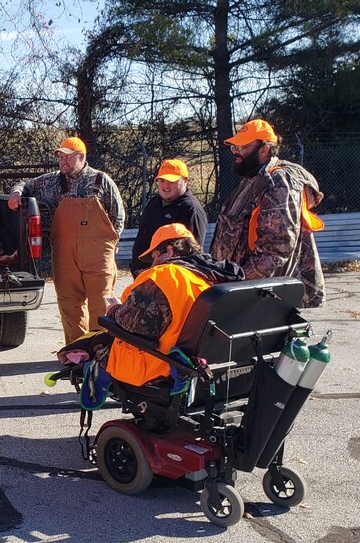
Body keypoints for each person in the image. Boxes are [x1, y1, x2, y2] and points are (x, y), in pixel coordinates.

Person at [8, 136, 126, 343]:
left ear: (81, 157)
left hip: (98, 254)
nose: (63, 161)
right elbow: (24, 185)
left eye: (68, 157)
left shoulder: (100, 180)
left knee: (101, 304)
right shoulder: (51, 181)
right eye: (60, 157)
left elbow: (119, 216)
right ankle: (77, 352)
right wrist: (16, 193)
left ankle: (101, 351)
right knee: (69, 305)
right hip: (65, 254)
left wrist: (108, 245)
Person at [105, 223, 244, 387]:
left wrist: (113, 309)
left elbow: (132, 324)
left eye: (155, 256)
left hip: (158, 369)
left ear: (169, 251)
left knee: (95, 343)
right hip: (199, 368)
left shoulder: (165, 275)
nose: (153, 264)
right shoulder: (211, 277)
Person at [209, 119, 325, 307]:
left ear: (264, 149)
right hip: (247, 291)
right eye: (234, 147)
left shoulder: (278, 182)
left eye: (243, 146)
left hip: (264, 296)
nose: (236, 151)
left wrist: (238, 283)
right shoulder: (253, 180)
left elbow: (277, 248)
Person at [128, 159, 208, 276]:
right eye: (162, 180)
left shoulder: (191, 210)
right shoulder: (155, 202)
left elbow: (191, 253)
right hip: (144, 277)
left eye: (172, 181)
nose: (165, 185)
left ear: (186, 181)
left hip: (168, 281)